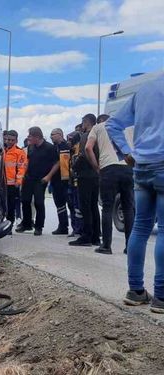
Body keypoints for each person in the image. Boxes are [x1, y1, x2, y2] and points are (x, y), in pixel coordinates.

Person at [106, 73, 164, 313]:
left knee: (140, 227)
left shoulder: (145, 89)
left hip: (141, 166)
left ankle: (136, 291)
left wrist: (127, 153)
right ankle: (161, 296)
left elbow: (112, 123)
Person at [85, 114, 134, 255]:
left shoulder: (98, 127)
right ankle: (129, 246)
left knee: (107, 207)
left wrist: (96, 167)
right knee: (128, 208)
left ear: (102, 120)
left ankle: (106, 246)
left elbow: (88, 148)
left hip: (108, 169)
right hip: (127, 167)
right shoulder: (128, 128)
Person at [16, 127, 59, 236]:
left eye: (30, 136)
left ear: (37, 136)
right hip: (29, 178)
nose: (28, 138)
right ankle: (27, 223)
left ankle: (39, 226)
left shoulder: (50, 148)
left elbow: (57, 163)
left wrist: (48, 176)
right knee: (25, 201)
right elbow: (27, 162)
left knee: (39, 202)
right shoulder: (31, 147)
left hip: (41, 179)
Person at [69, 114, 101, 247]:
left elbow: (84, 154)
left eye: (83, 123)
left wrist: (74, 167)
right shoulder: (99, 135)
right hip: (96, 175)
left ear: (86, 123)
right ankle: (95, 236)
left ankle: (86, 236)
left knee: (85, 206)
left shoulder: (86, 136)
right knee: (94, 206)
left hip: (85, 175)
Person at [49, 128, 71, 235]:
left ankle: (74, 227)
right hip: (55, 180)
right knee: (59, 204)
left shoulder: (65, 147)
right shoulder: (54, 148)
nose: (51, 137)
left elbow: (64, 164)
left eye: (53, 134)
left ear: (60, 134)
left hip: (64, 181)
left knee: (69, 203)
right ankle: (63, 226)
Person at [3, 130, 27, 224]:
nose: (9, 142)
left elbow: (21, 168)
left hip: (12, 184)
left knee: (10, 205)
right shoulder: (2, 150)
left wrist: (18, 181)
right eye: (8, 139)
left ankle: (10, 223)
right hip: (0, 183)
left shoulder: (19, 152)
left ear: (16, 140)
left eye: (12, 140)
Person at [67, 127, 83, 237]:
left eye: (70, 139)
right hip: (71, 183)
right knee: (73, 206)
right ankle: (76, 228)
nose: (68, 142)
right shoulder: (71, 151)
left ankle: (79, 229)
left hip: (78, 183)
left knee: (78, 207)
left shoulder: (79, 150)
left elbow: (75, 166)